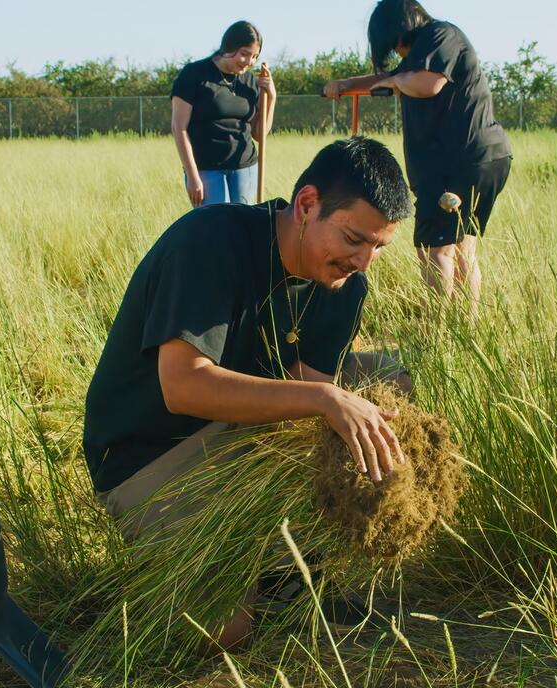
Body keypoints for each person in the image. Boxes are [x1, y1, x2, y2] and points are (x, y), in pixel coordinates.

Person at [84, 136, 413, 649]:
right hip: (151, 452)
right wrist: (326, 401)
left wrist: (341, 418)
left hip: (244, 437)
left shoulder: (345, 284)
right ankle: (168, 567)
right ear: (307, 205)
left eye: (377, 247)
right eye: (353, 238)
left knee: (391, 376)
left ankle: (282, 560)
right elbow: (183, 385)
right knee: (227, 630)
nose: (363, 261)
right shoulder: (212, 240)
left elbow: (307, 388)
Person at [323, 0, 513, 310]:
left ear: (400, 29)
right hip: (482, 158)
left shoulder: (438, 35)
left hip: (455, 164)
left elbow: (428, 84)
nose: (396, 52)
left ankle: (440, 335)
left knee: (434, 249)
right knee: (462, 248)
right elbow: (387, 79)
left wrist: (394, 81)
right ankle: (467, 329)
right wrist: (346, 84)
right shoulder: (426, 50)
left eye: (393, 44)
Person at [171, 20, 276, 207]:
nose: (249, 62)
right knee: (215, 229)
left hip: (244, 167)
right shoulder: (194, 74)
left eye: (254, 57)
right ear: (229, 47)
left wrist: (272, 97)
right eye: (244, 54)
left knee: (243, 227)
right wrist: (193, 176)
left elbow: (260, 135)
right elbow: (179, 128)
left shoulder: (251, 82)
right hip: (206, 169)